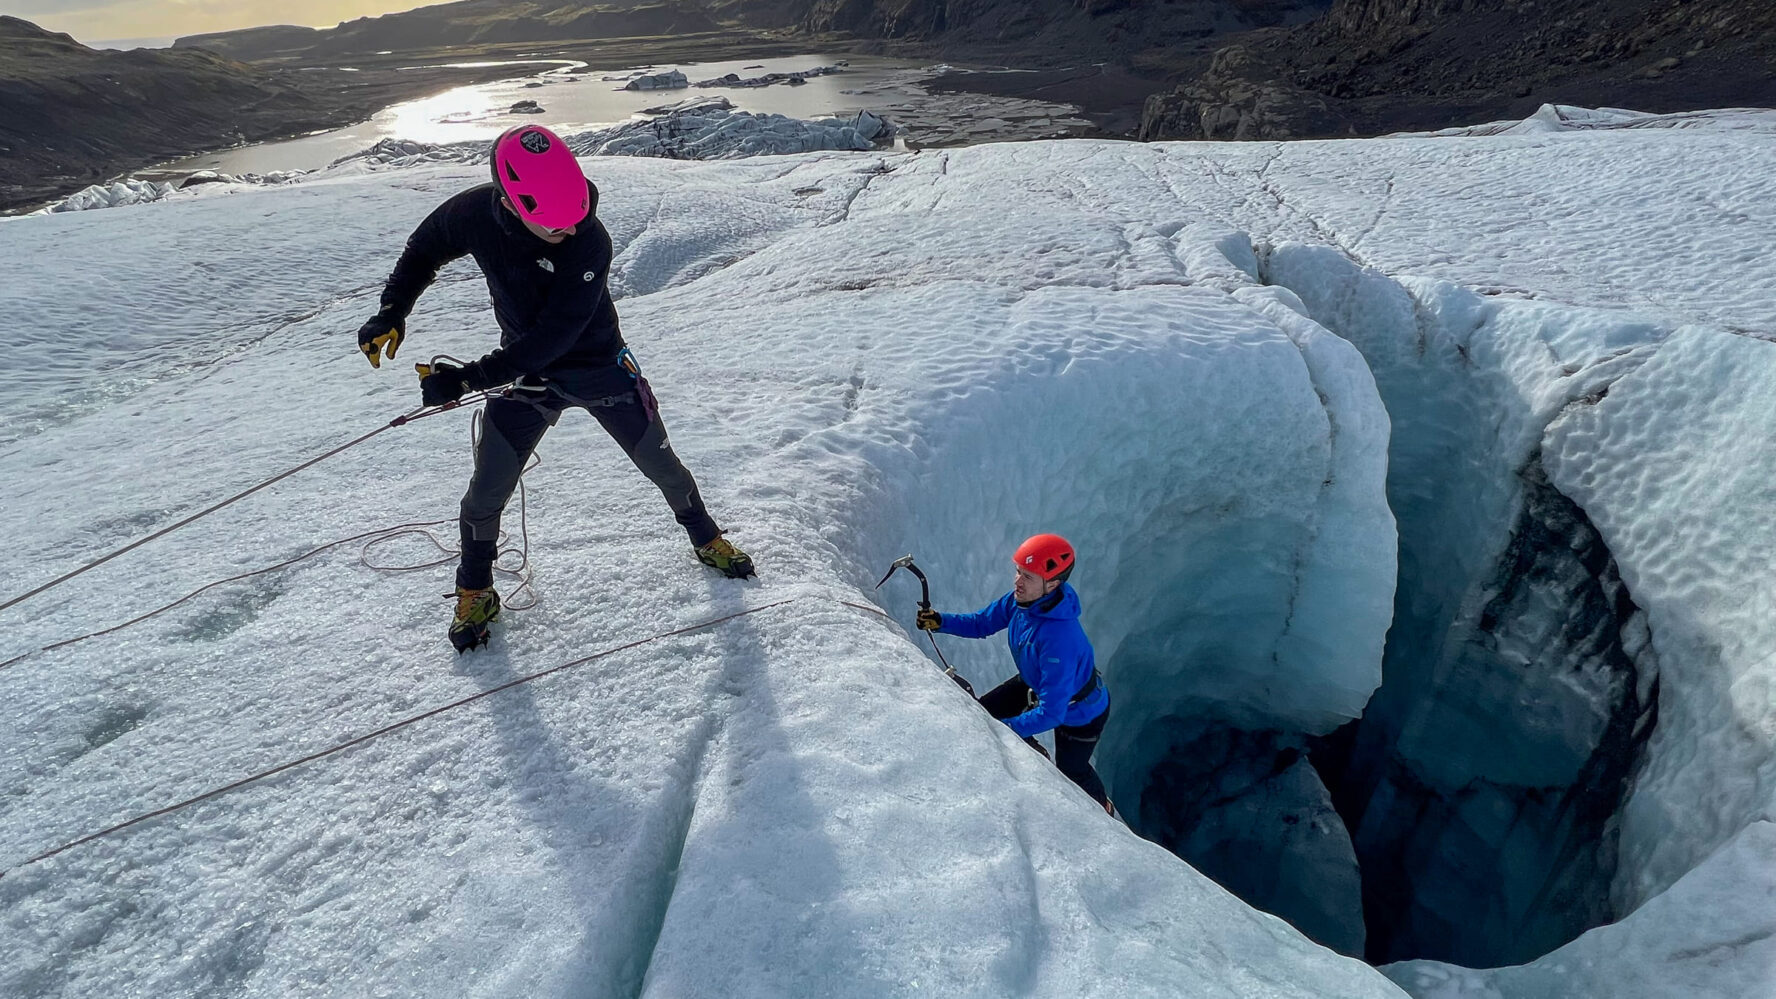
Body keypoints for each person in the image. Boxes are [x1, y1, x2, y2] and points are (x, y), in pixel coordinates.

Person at [355, 124, 754, 653]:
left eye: (576, 216)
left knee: (664, 468)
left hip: (599, 370)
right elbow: (423, 251)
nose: (570, 230)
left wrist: (469, 378)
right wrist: (392, 311)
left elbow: (556, 336)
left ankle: (706, 538)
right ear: (510, 204)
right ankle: (475, 590)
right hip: (527, 378)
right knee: (484, 494)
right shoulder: (474, 213)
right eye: (555, 225)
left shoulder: (589, 240)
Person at [917, 534, 1113, 813]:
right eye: (1018, 571)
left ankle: (1103, 808)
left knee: (1073, 771)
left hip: (1080, 712)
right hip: (1036, 684)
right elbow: (982, 623)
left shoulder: (1060, 640)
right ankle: (1031, 745)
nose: (1018, 581)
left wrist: (1007, 729)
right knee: (982, 714)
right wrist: (940, 622)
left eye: (1028, 576)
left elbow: (1052, 713)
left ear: (1052, 584)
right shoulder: (1021, 602)